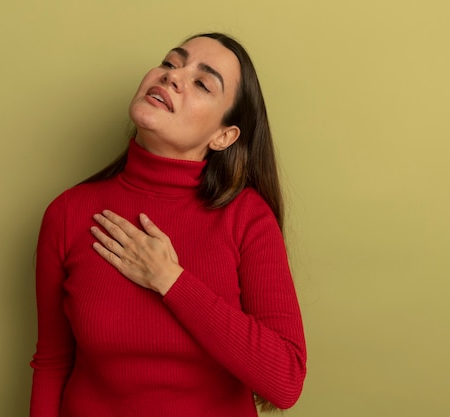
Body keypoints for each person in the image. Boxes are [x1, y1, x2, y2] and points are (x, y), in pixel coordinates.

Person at [30, 32, 307, 417]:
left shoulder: (247, 218)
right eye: (170, 63)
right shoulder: (68, 213)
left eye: (202, 83)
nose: (172, 77)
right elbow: (53, 363)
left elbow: (285, 381)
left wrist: (169, 279)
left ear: (224, 136)